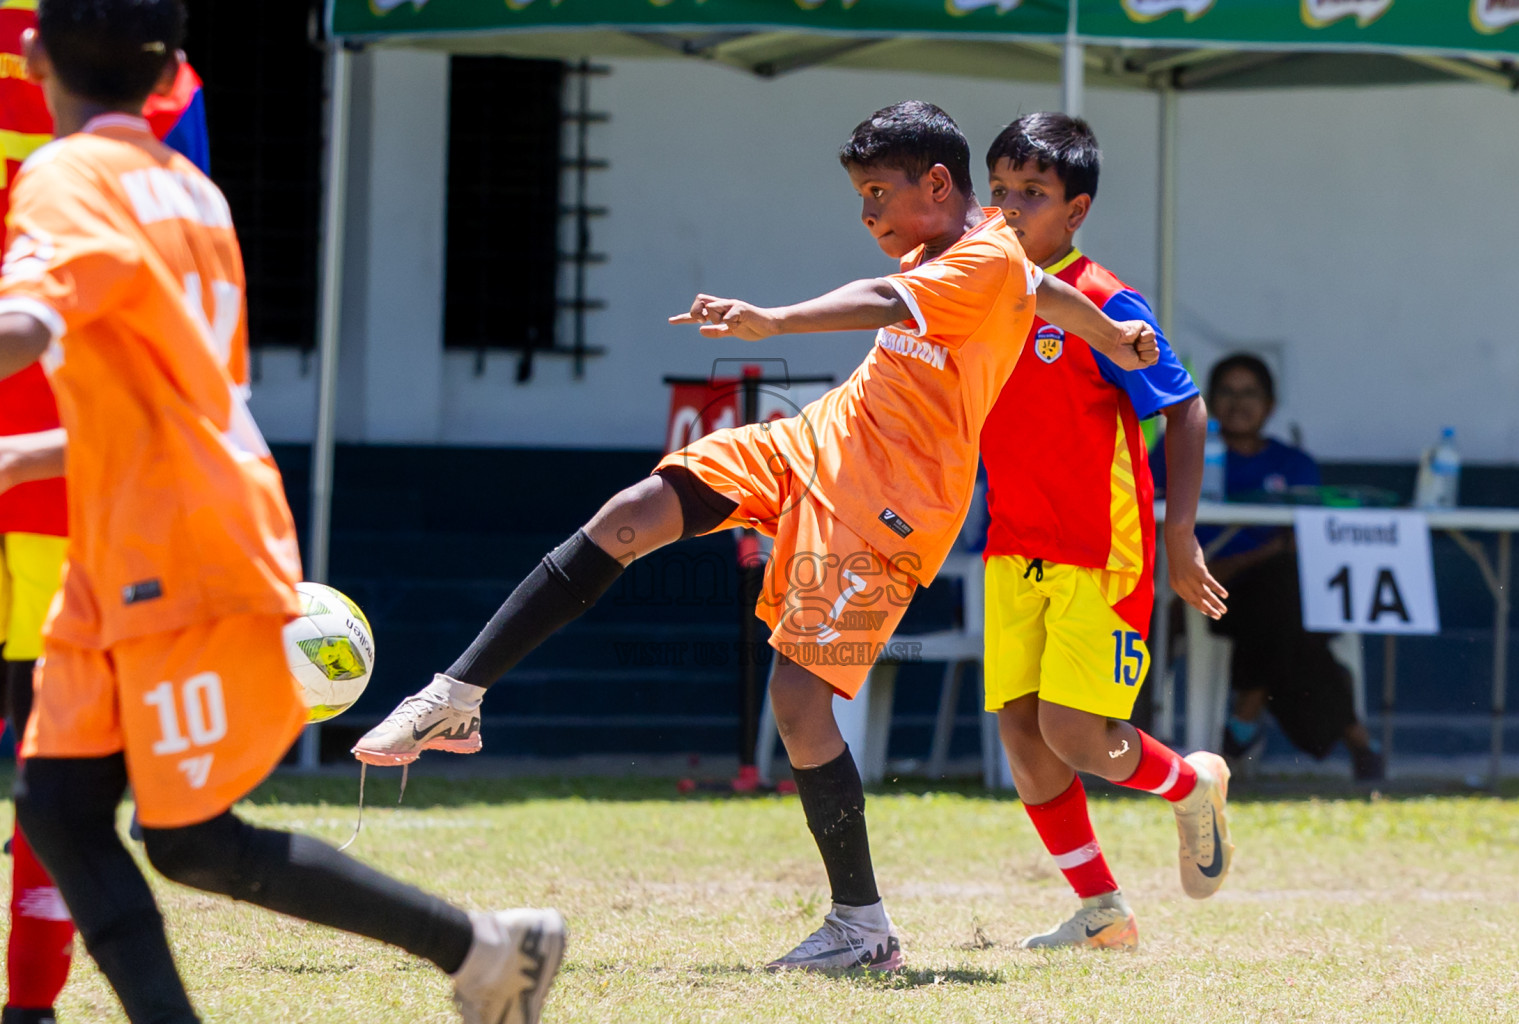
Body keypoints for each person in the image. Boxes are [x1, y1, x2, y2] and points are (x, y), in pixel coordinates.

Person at [354, 100, 1159, 972]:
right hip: (820, 438)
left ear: (936, 182)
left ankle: (861, 928)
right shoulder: (988, 248)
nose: (868, 217)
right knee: (627, 517)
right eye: (860, 198)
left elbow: (885, 298)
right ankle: (456, 696)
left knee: (798, 704)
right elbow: (1042, 291)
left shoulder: (978, 256)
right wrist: (1112, 333)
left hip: (892, 504)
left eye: (879, 195)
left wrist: (770, 321)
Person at [0, 4, 565, 1022]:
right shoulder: (192, 192)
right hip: (132, 536)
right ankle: (483, 953)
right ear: (170, 67)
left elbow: (29, 321)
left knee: (192, 839)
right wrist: (21, 458)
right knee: (56, 804)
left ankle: (484, 950)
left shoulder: (64, 174)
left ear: (33, 52)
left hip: (174, 543)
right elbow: (178, 398)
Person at [977, 113, 1233, 953]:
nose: (1011, 210)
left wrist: (1181, 533)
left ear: (1075, 209)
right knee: (1021, 731)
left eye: (1034, 195)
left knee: (1075, 734)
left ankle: (1191, 783)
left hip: (1101, 547)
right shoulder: (980, 288)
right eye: (1001, 190)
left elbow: (1186, 408)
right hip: (1013, 547)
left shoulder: (1103, 299)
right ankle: (1103, 914)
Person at [0, 4, 208, 1018]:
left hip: (60, 464)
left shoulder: (110, 55)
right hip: (75, 468)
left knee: (55, 779)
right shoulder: (154, 69)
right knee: (55, 769)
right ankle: (28, 1006)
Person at [1151, 353, 1384, 781]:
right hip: (1207, 589)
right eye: (1227, 392)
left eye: (1250, 393)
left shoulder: (1293, 464)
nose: (1239, 403)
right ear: (1209, 400)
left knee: (1280, 601)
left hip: (1275, 596)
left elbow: (1307, 542)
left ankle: (1245, 715)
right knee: (1287, 613)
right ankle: (1355, 735)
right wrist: (1260, 552)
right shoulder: (1179, 450)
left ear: (1271, 404)